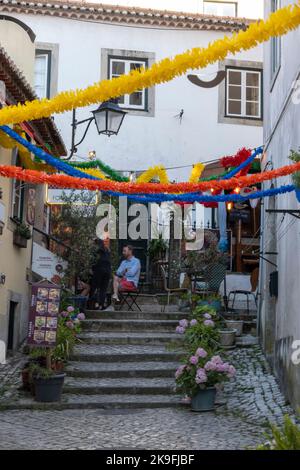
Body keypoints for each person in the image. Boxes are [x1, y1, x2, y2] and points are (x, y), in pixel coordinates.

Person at [90, 239, 112, 310]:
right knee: (103, 289)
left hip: (99, 270)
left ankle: (94, 304)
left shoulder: (96, 251)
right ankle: (101, 305)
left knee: (95, 287)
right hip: (107, 271)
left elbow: (93, 262)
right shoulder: (107, 251)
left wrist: (92, 269)